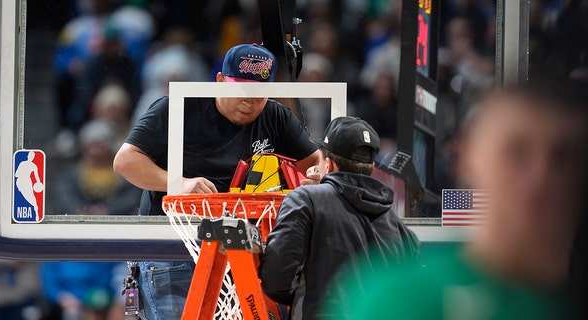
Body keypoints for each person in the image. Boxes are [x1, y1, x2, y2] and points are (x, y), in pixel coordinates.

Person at [326, 77, 588, 319]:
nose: (540, 176)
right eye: (517, 152)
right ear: (468, 158)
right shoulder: (400, 301)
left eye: (564, 157)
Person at [113, 43, 319, 320]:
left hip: (241, 253)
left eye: (259, 95)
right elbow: (125, 161)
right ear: (220, 81)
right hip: (173, 250)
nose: (249, 102)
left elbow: (317, 163)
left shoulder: (275, 116)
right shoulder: (177, 107)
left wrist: (315, 179)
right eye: (241, 92)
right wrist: (179, 183)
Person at [259, 116, 421, 320]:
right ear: (370, 168)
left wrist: (304, 294)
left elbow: (276, 279)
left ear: (328, 164)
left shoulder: (305, 200)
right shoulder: (400, 228)